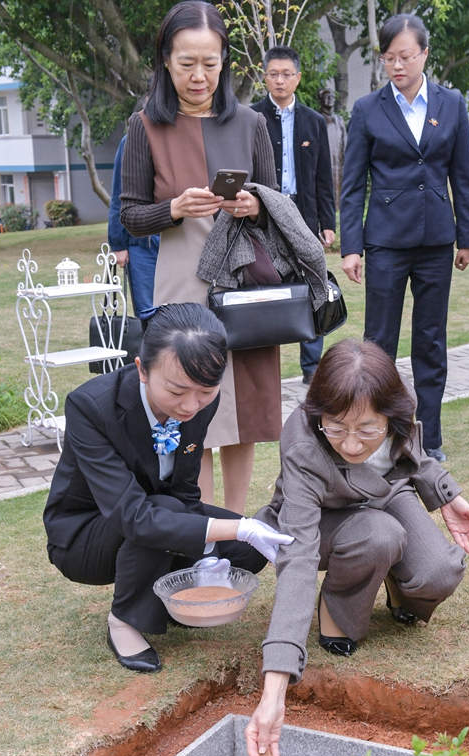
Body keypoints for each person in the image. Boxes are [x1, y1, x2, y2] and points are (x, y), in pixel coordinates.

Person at [244, 339, 469, 756]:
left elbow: (411, 453)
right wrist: (274, 689)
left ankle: (396, 583)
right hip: (323, 520)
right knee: (379, 534)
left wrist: (446, 494)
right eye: (336, 428)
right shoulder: (302, 442)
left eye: (367, 430)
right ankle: (339, 610)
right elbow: (297, 561)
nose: (352, 444)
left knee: (440, 571)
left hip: (386, 494)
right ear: (318, 414)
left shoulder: (400, 403)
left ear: (389, 414)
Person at [43, 303, 293, 675]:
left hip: (158, 510)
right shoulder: (91, 407)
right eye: (177, 390)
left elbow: (185, 492)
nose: (191, 405)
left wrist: (211, 549)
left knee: (249, 550)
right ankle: (124, 622)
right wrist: (231, 527)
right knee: (175, 515)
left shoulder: (200, 399)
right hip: (85, 536)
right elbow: (135, 516)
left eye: (206, 391)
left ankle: (172, 594)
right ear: (142, 368)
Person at [120, 0, 280, 514]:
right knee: (191, 402)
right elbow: (130, 215)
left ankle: (236, 521)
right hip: (182, 282)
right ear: (166, 60)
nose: (199, 75)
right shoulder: (144, 125)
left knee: (245, 408)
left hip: (243, 280)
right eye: (187, 62)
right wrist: (173, 208)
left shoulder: (252, 123)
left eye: (210, 63)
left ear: (225, 61)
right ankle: (203, 524)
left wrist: (255, 204)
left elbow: (277, 206)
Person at [340, 13, 469, 465]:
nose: (397, 65)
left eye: (406, 56)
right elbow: (352, 184)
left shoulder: (452, 103)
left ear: (424, 54)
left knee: (431, 341)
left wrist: (468, 236)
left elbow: (463, 174)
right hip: (385, 241)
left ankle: (428, 439)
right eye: (388, 58)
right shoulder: (366, 110)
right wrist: (351, 247)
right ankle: (376, 436)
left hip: (437, 240)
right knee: (378, 345)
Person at [251, 45, 336, 385]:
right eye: (274, 74)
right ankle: (262, 364)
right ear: (265, 76)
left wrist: (327, 224)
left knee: (313, 286)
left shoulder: (315, 122)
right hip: (264, 213)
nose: (280, 80)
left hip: (304, 213)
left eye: (287, 74)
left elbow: (323, 178)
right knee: (264, 285)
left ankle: (312, 368)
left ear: (298, 78)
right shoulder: (253, 117)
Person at [108, 133, 160, 317]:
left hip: (182, 238)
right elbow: (119, 195)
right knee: (149, 314)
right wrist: (118, 244)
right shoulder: (131, 140)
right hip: (143, 245)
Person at [318, 87, 347, 211]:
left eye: (332, 97)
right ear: (321, 100)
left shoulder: (339, 120)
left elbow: (345, 141)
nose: (330, 99)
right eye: (326, 97)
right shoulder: (317, 118)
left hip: (338, 161)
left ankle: (337, 213)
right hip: (323, 162)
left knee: (338, 188)